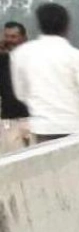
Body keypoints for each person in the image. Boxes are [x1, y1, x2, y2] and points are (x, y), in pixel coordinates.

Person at [9, 3, 79, 143]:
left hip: (44, 131)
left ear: (40, 25)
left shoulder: (20, 54)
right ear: (67, 27)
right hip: (78, 130)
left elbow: (21, 94)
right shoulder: (77, 56)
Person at [1, 21, 31, 153]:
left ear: (24, 38)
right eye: (6, 36)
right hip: (9, 120)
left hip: (32, 118)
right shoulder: (2, 60)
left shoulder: (33, 58)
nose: (9, 40)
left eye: (13, 36)